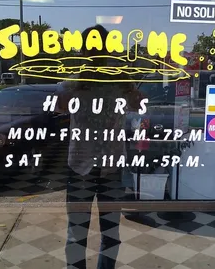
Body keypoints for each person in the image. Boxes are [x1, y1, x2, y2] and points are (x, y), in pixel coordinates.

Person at [57, 24, 144, 268]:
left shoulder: (76, 83)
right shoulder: (117, 81)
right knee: (109, 234)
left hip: (89, 165)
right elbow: (141, 105)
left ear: (83, 49)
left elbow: (57, 105)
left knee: (78, 234)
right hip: (100, 166)